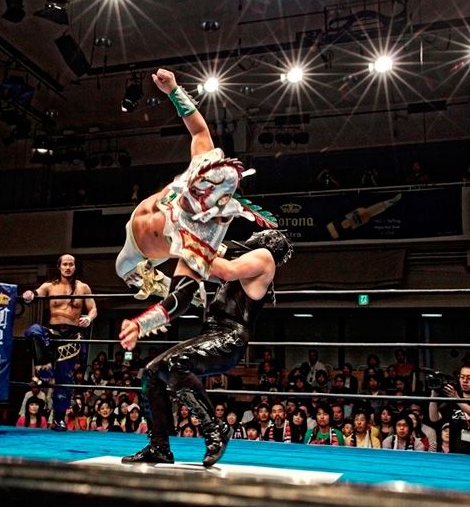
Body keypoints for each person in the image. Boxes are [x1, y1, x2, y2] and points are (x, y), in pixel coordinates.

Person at [120, 229, 292, 468]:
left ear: (270, 240)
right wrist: (163, 271)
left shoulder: (264, 256)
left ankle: (215, 429)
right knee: (151, 372)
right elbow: (204, 270)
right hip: (212, 334)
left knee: (175, 364)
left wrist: (191, 245)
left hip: (229, 337)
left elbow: (225, 270)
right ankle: (159, 446)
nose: (254, 232)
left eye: (261, 231)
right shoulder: (247, 264)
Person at [115, 68, 275, 307]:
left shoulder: (203, 231)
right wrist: (173, 90)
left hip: (138, 254)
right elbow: (199, 130)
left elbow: (225, 270)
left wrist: (253, 272)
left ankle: (174, 288)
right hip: (137, 222)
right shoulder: (202, 166)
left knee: (124, 270)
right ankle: (177, 288)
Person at [22, 254, 97, 431]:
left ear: (75, 267)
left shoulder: (83, 287)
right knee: (33, 331)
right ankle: (44, 368)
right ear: (59, 267)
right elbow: (35, 294)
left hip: (72, 334)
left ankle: (59, 419)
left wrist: (89, 318)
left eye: (71, 264)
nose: (68, 267)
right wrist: (29, 294)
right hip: (53, 332)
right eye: (65, 264)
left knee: (64, 379)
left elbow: (93, 308)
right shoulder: (49, 286)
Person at [428, 361, 470, 455]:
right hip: (456, 453)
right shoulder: (453, 398)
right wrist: (433, 396)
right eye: (462, 377)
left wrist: (457, 400)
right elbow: (434, 418)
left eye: (469, 378)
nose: (465, 381)